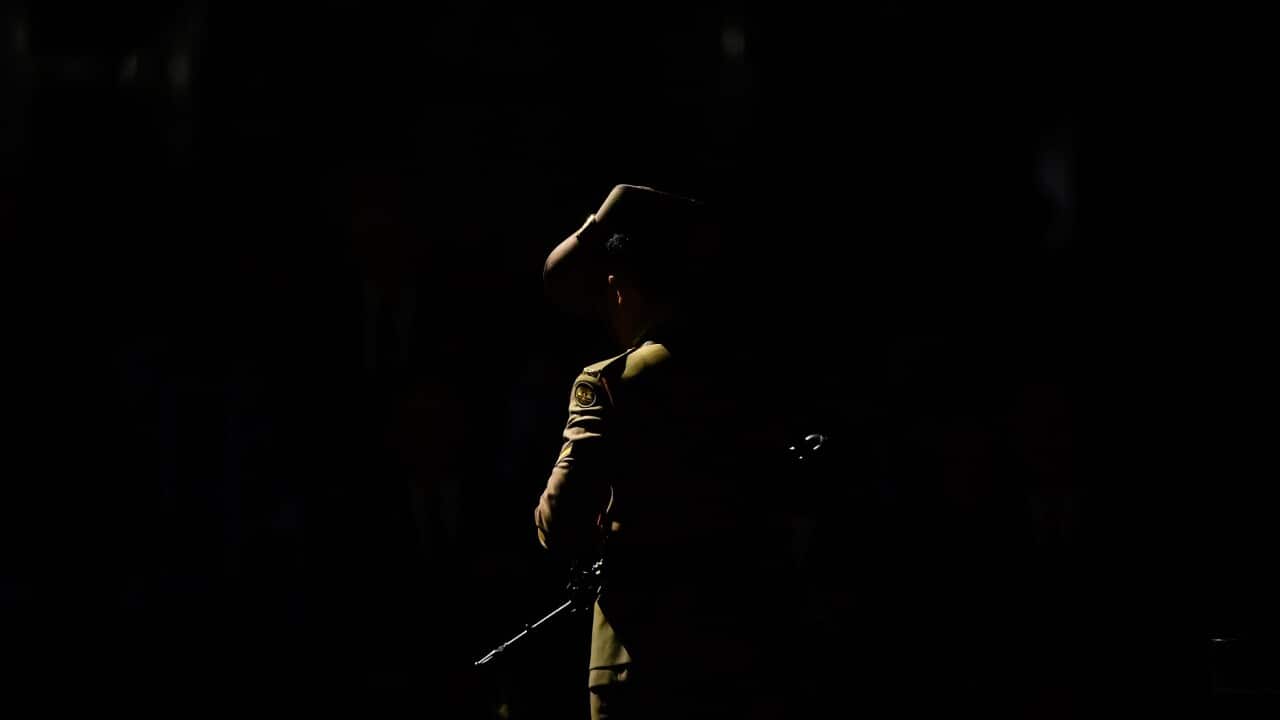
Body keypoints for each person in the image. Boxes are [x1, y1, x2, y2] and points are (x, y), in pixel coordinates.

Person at [533, 185, 800, 719]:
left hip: (637, 664)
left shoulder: (608, 384)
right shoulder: (751, 380)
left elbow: (557, 524)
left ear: (622, 288)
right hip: (743, 652)